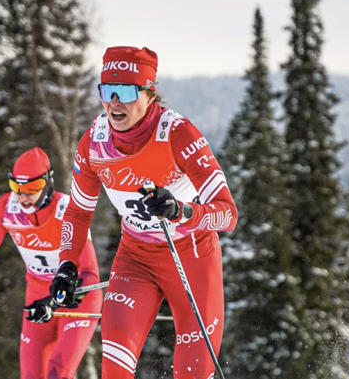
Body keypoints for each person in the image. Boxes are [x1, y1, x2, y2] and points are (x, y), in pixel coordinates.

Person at [49, 46, 238, 378]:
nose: (114, 103)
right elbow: (79, 213)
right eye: (106, 92)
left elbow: (227, 214)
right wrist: (66, 265)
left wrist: (180, 210)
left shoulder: (179, 134)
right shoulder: (95, 142)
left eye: (124, 92)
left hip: (192, 259)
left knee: (193, 373)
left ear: (149, 94)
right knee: (115, 367)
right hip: (135, 259)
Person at [0, 147, 103, 379]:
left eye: (31, 189)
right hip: (37, 296)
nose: (23, 196)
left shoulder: (67, 211)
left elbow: (88, 274)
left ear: (48, 183)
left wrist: (54, 302)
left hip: (77, 299)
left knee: (57, 374)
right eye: (17, 188)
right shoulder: (7, 209)